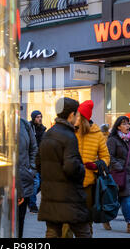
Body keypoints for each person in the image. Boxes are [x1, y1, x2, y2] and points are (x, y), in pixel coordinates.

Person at [36, 97, 90, 238]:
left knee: (52, 231)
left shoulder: (48, 134)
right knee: (83, 231)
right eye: (77, 114)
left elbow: (38, 162)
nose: (77, 118)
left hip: (50, 194)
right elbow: (71, 166)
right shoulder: (68, 136)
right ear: (71, 114)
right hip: (69, 195)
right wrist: (82, 170)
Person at [74, 100, 111, 237]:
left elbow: (106, 157)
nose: (75, 118)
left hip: (88, 184)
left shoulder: (97, 134)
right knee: (67, 223)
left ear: (83, 118)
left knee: (86, 222)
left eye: (78, 116)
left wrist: (97, 165)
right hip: (70, 183)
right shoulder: (71, 131)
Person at [105, 116, 130, 234]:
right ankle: (129, 223)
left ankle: (126, 222)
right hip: (118, 174)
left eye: (128, 124)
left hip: (129, 174)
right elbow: (109, 156)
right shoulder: (113, 140)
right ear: (118, 126)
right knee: (121, 199)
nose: (127, 126)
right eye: (124, 124)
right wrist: (119, 167)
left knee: (124, 198)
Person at [17, 117, 38, 238]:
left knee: (20, 219)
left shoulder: (24, 124)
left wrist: (31, 170)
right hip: (1, 182)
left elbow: (33, 148)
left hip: (23, 179)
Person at [28, 110, 46, 213]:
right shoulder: (29, 128)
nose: (40, 119)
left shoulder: (43, 130)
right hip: (33, 159)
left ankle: (30, 199)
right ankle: (32, 205)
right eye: (38, 117)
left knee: (40, 182)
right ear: (33, 118)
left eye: (41, 117)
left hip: (41, 160)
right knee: (36, 182)